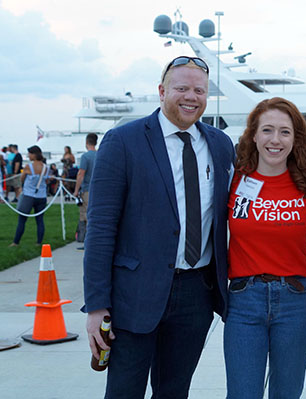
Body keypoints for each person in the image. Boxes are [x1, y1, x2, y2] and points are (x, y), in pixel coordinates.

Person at [82, 56, 236, 398]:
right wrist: (96, 306)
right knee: (124, 391)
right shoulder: (123, 141)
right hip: (134, 294)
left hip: (197, 291)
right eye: (182, 88)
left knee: (174, 390)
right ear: (162, 91)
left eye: (199, 90)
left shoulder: (220, 144)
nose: (191, 97)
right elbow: (101, 227)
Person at [225, 97, 306, 399]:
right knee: (242, 394)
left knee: (287, 393)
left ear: (295, 138)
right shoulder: (235, 179)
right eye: (267, 130)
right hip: (244, 301)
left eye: (284, 132)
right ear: (254, 135)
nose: (275, 140)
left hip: (296, 301)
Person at [9, 145, 49, 247]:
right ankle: (39, 242)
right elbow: (47, 181)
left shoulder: (28, 167)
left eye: (29, 153)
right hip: (41, 196)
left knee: (22, 220)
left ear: (34, 154)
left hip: (28, 196)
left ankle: (16, 242)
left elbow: (22, 179)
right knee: (40, 220)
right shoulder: (45, 167)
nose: (28, 155)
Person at [73, 133, 98, 247]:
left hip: (87, 189)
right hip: (98, 189)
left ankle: (86, 240)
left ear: (87, 142)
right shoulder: (100, 155)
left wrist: (76, 190)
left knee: (86, 215)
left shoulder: (85, 157)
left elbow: (81, 173)